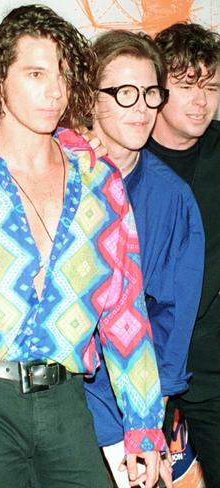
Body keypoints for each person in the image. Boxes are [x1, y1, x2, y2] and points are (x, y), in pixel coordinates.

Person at [0, 5, 166, 488]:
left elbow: (126, 312)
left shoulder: (100, 182)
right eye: (36, 73)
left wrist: (144, 425)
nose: (55, 90)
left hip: (66, 404)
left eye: (63, 74)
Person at [78, 29, 204, 488]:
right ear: (90, 100)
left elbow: (174, 319)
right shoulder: (50, 175)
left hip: (137, 401)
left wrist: (150, 416)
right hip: (59, 400)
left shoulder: (172, 197)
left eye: (150, 93)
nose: (141, 107)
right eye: (124, 93)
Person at [145, 22, 220, 487]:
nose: (202, 100)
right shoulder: (121, 155)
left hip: (211, 365)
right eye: (187, 86)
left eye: (210, 87)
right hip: (136, 365)